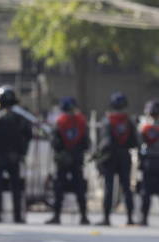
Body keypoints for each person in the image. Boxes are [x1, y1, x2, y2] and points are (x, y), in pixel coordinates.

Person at [0, 85, 32, 223]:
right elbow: (28, 136)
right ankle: (17, 215)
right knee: (15, 186)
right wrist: (22, 153)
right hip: (14, 158)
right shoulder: (21, 119)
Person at [46, 96, 90, 225]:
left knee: (59, 187)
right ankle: (83, 216)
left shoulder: (60, 121)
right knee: (79, 188)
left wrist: (63, 153)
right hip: (77, 159)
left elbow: (55, 142)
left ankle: (57, 215)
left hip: (63, 161)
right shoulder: (81, 121)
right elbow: (86, 143)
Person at [96, 91, 138, 226]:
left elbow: (104, 143)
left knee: (108, 187)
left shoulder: (107, 120)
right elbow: (135, 141)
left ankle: (106, 218)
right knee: (126, 187)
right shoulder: (129, 121)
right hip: (125, 156)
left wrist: (98, 157)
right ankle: (130, 217)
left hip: (110, 156)